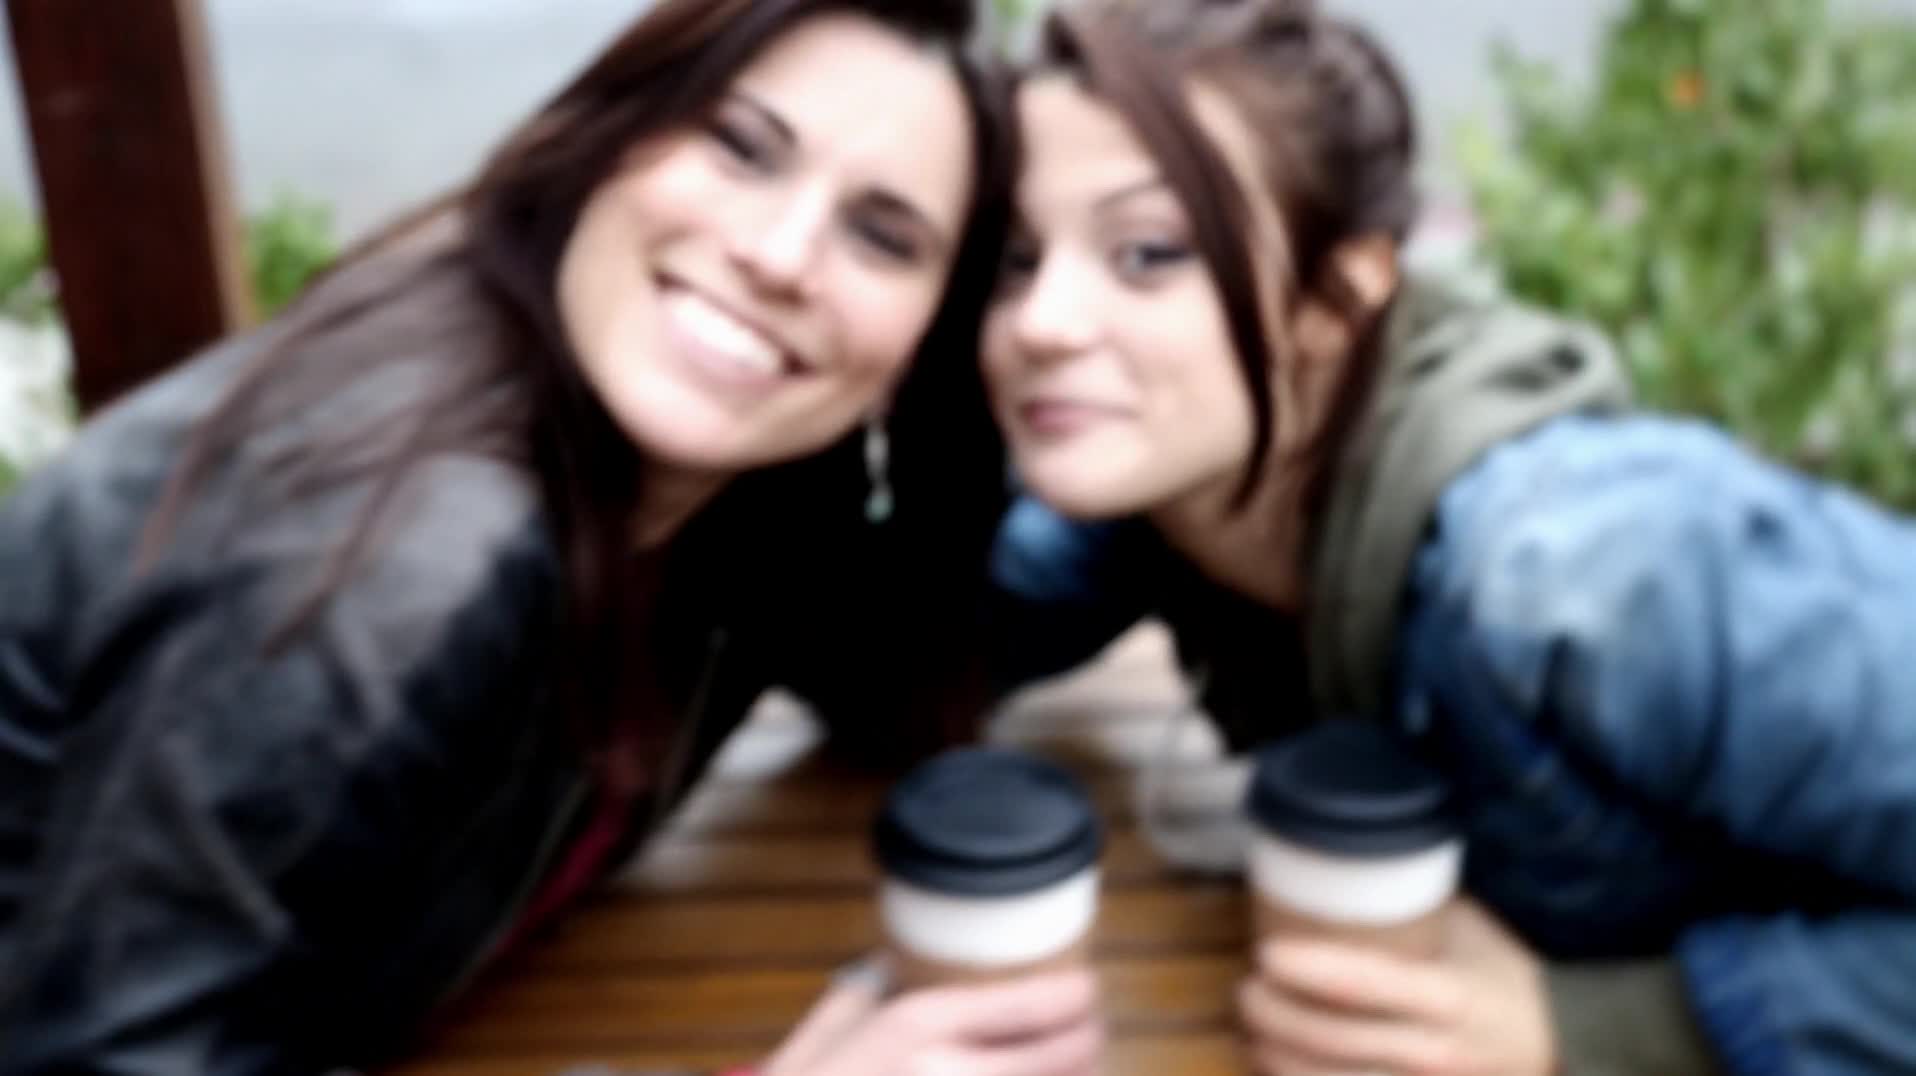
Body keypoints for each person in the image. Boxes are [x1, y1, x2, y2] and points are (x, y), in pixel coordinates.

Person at [0, 2, 1104, 1073]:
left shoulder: (739, 476)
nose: (780, 254)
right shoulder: (392, 576)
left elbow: (887, 680)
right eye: (739, 146)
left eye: (882, 235)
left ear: (929, 334)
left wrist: (1134, 487)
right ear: (613, 133)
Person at [983, 0, 1916, 1073]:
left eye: (1148, 253)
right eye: (1014, 256)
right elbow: (920, 644)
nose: (1039, 321)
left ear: (1336, 299)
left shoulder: (1588, 570)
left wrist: (1604, 1027)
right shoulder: (1171, 502)